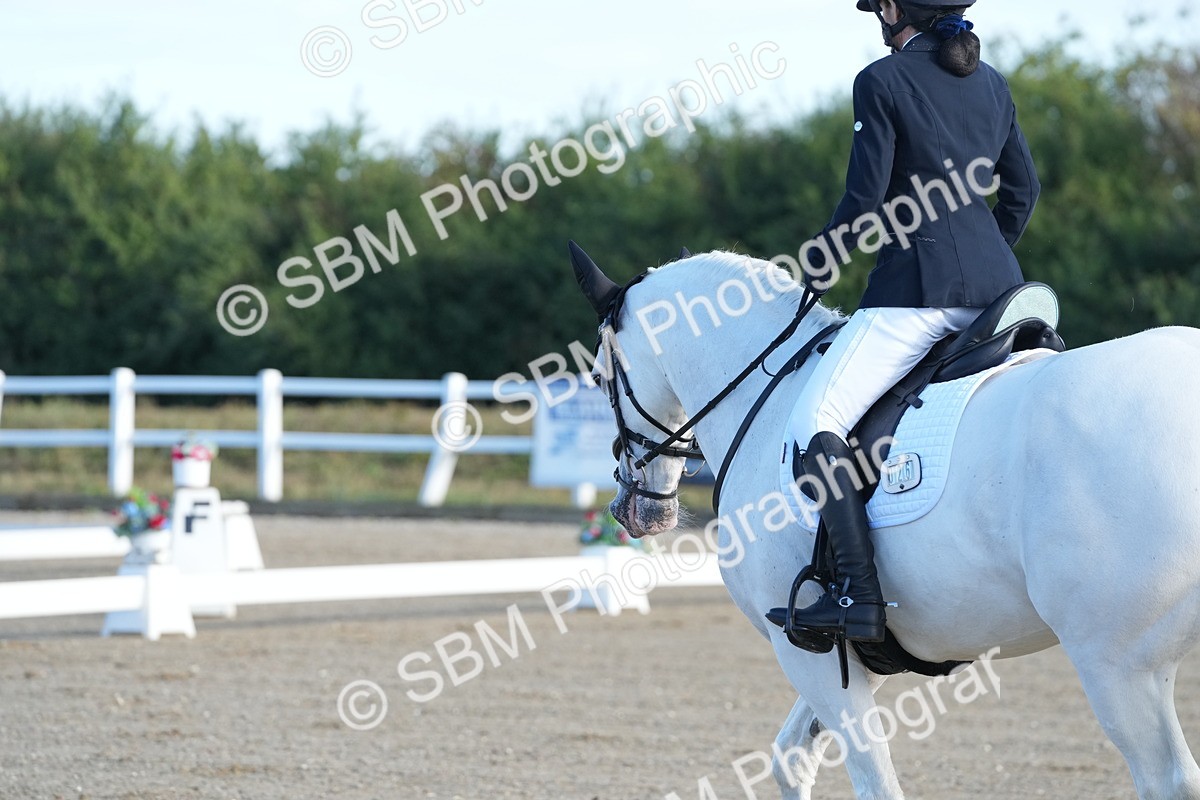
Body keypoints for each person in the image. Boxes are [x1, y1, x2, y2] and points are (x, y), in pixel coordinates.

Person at [779, 0, 1040, 649]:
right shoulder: (993, 84)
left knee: (813, 424)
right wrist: (985, 254)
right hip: (1000, 293)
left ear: (893, 10)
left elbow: (863, 203)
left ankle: (857, 597)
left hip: (915, 295)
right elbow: (1023, 191)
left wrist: (816, 267)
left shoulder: (882, 80)